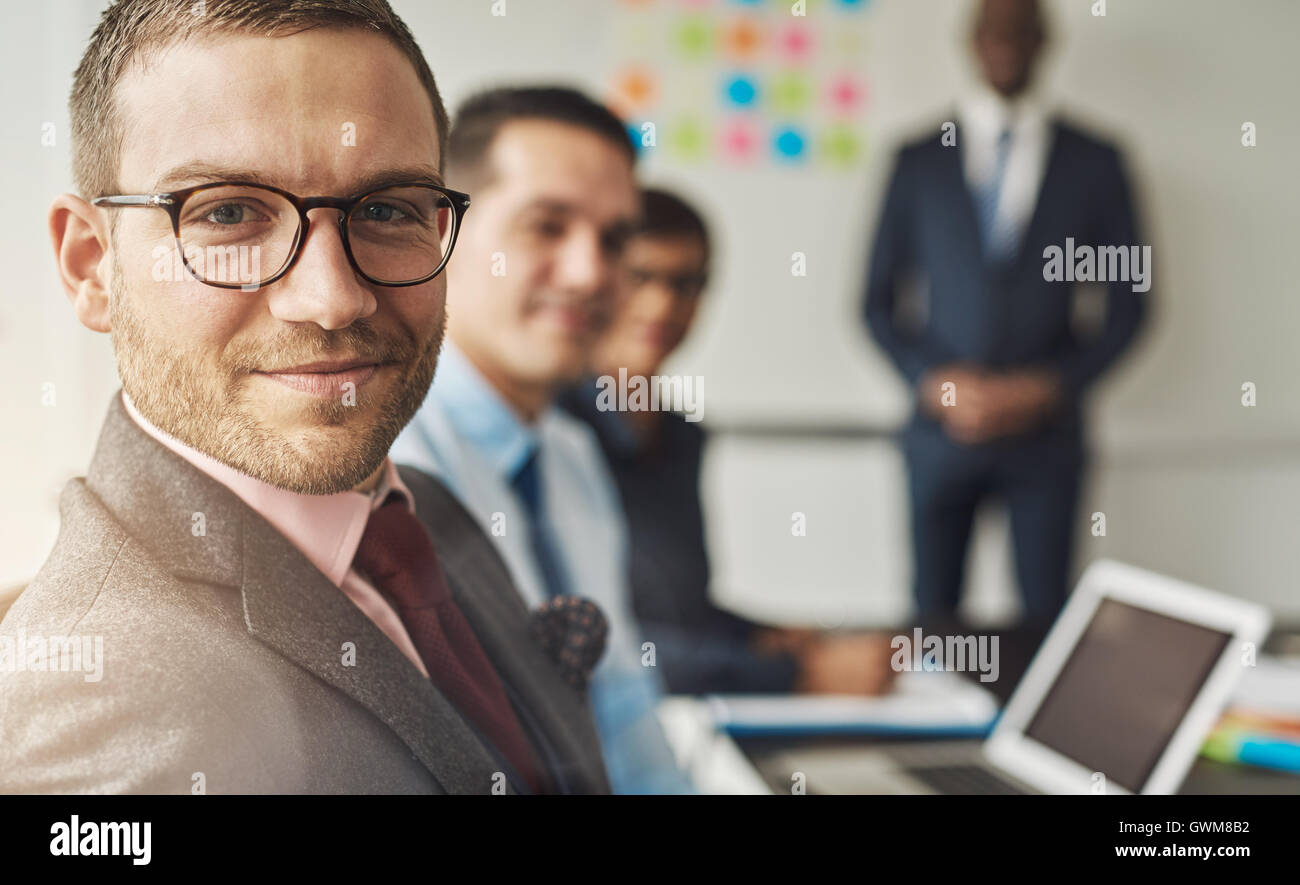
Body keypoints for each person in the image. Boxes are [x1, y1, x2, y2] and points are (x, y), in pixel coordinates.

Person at [0, 0, 609, 795]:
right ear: (92, 266)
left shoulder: (420, 513)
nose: (332, 299)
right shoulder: (101, 721)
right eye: (227, 212)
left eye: (387, 210)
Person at [391, 87, 694, 794]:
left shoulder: (571, 458)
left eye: (615, 240)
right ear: (443, 235)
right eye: (547, 226)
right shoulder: (383, 467)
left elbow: (621, 707)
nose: (592, 273)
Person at [864, 0, 1149, 622]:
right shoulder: (918, 159)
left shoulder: (1095, 161)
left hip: (1045, 441)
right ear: (970, 41)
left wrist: (1048, 387)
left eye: (1022, 32)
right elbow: (875, 301)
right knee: (932, 622)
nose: (1007, 45)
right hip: (941, 438)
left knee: (1048, 620)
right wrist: (935, 385)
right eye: (994, 32)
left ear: (1046, 41)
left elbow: (1131, 304)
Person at [561, 188, 897, 696]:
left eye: (688, 284)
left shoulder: (682, 434)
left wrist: (768, 636)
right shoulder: (554, 433)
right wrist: (799, 675)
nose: (663, 304)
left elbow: (680, 612)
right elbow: (588, 645)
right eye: (641, 278)